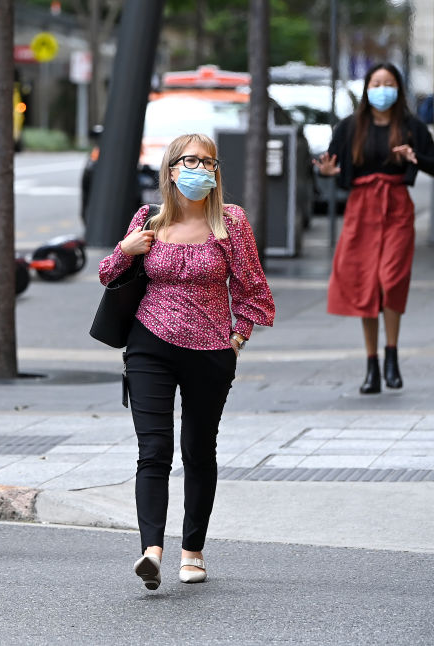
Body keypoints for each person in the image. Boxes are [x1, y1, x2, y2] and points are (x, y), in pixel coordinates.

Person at [98, 134, 275, 590]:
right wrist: (126, 250)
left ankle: (192, 551)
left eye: (208, 162)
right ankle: (151, 552)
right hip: (149, 344)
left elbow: (253, 290)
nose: (200, 168)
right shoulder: (148, 219)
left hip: (211, 351)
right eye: (191, 160)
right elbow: (106, 273)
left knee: (198, 450)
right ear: (172, 169)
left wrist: (237, 338)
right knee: (153, 451)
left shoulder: (231, 223)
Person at [315, 62, 434, 394]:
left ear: (398, 88)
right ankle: (372, 365)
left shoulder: (411, 127)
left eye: (389, 83)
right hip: (362, 208)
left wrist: (415, 157)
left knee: (390, 279)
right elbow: (332, 167)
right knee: (366, 283)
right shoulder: (350, 127)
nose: (383, 89)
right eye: (377, 83)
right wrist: (326, 173)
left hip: (396, 206)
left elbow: (432, 163)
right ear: (367, 88)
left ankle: (392, 355)